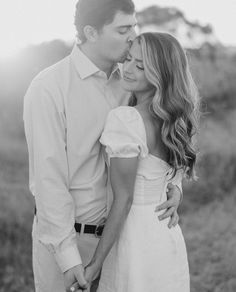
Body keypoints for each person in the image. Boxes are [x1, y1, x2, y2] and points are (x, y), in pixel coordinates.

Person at [23, 0, 183, 291]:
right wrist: (69, 259)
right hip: (70, 241)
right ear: (91, 32)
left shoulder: (132, 82)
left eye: (134, 27)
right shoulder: (48, 88)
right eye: (123, 29)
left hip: (122, 239)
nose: (132, 36)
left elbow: (163, 134)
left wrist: (173, 185)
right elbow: (48, 183)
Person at [84, 32, 200, 292]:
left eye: (141, 65)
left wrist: (94, 265)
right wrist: (176, 190)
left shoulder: (125, 119)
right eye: (128, 59)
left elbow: (123, 200)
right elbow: (171, 171)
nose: (128, 69)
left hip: (134, 237)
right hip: (165, 234)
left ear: (161, 74)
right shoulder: (172, 119)